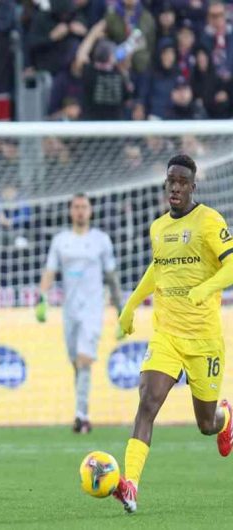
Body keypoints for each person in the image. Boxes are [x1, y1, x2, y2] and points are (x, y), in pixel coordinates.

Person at [114, 154, 233, 513]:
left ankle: (225, 417)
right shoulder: (158, 228)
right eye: (171, 181)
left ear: (193, 186)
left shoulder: (210, 221)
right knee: (147, 402)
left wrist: (205, 288)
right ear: (166, 185)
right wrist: (131, 305)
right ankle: (130, 485)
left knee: (205, 423)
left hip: (203, 339)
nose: (176, 187)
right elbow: (158, 269)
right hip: (166, 334)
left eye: (183, 182)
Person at [35, 193, 123, 434]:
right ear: (71, 211)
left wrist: (120, 310)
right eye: (76, 207)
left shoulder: (101, 240)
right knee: (77, 363)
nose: (80, 211)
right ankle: (81, 410)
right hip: (70, 310)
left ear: (91, 211)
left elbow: (112, 277)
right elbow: (50, 270)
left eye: (84, 206)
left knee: (85, 359)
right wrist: (41, 298)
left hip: (93, 309)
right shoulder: (61, 240)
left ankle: (81, 416)